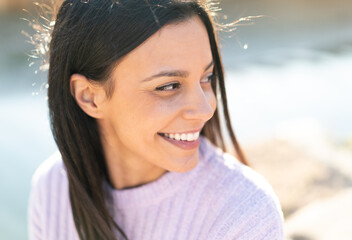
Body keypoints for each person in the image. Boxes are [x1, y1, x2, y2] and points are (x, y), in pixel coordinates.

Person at [28, 0, 284, 239]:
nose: (206, 109)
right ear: (89, 97)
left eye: (206, 78)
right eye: (169, 86)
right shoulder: (52, 188)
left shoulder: (245, 214)